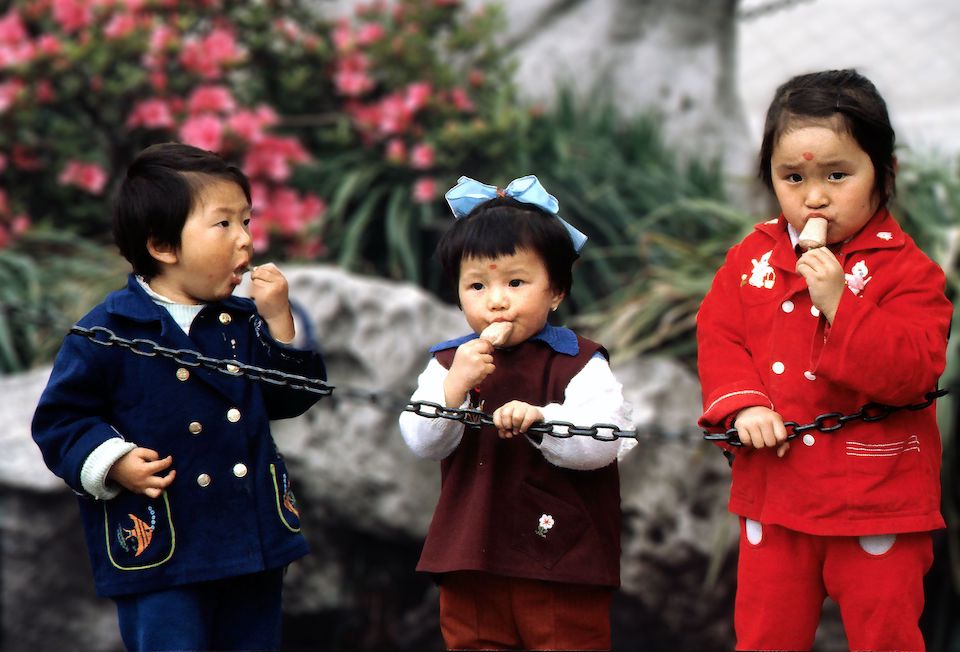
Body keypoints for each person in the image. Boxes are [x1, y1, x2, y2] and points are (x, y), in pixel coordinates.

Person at [31, 142, 326, 652]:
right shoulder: (110, 329)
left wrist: (279, 324)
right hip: (164, 548)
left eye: (247, 222)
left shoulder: (240, 321)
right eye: (224, 224)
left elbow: (288, 399)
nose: (246, 241)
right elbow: (60, 421)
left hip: (249, 537)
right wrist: (113, 461)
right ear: (164, 246)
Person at [696, 69, 953, 651]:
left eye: (837, 175)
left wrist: (842, 303)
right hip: (776, 493)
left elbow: (915, 368)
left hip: (877, 498)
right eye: (793, 178)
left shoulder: (908, 271)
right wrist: (744, 406)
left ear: (883, 175)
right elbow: (720, 332)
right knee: (765, 636)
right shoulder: (752, 257)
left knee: (884, 634)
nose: (814, 197)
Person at [398, 175, 635, 651]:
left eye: (516, 282)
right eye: (477, 285)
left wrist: (543, 419)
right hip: (470, 555)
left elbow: (605, 442)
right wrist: (453, 389)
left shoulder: (580, 361)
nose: (496, 300)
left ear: (556, 291)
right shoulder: (448, 361)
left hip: (562, 560)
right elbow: (422, 441)